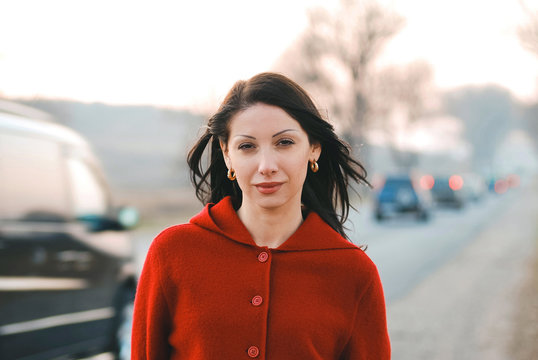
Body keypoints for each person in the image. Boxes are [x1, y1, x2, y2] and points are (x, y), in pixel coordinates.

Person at [131, 72, 390, 359]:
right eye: (247, 146)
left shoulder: (354, 273)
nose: (266, 165)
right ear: (227, 153)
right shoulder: (172, 254)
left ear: (314, 148)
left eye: (284, 143)